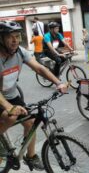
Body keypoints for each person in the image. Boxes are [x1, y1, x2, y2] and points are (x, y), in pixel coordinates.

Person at [0, 21, 68, 170]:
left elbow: (39, 68)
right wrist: (9, 107)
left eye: (17, 36)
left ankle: (30, 157)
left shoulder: (19, 52)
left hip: (11, 95)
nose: (15, 40)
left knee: (30, 122)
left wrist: (58, 83)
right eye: (10, 37)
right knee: (10, 116)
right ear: (1, 39)